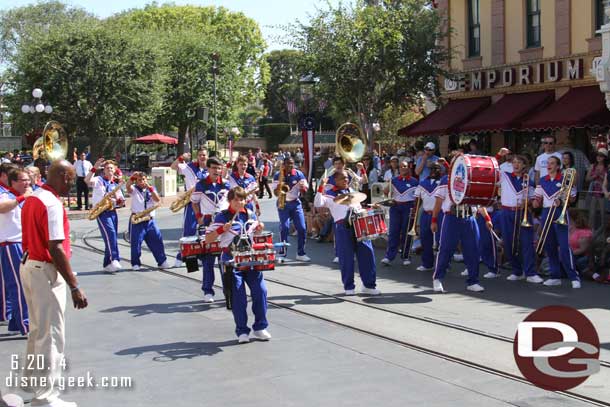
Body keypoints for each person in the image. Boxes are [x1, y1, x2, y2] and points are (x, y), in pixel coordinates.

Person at [21, 160, 87, 407]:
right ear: (62, 176)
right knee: (51, 335)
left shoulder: (34, 197)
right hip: (45, 271)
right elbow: (56, 247)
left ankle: (32, 385)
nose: (71, 183)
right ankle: (46, 398)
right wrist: (74, 285)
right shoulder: (51, 203)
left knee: (38, 330)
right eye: (70, 178)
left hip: (29, 265)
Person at [205, 186, 271, 343]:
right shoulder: (222, 217)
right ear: (230, 201)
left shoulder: (249, 214)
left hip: (250, 259)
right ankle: (242, 331)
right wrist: (222, 229)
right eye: (236, 199)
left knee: (260, 291)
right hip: (230, 260)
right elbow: (208, 239)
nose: (239, 202)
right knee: (238, 295)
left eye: (241, 199)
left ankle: (260, 327)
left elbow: (256, 234)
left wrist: (259, 229)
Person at [315, 170, 380, 295]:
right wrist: (320, 187)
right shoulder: (330, 194)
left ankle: (369, 285)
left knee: (367, 254)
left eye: (347, 178)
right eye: (342, 178)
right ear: (336, 180)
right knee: (346, 258)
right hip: (343, 227)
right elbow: (318, 203)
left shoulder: (352, 191)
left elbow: (358, 208)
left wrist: (370, 207)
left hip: (359, 225)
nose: (346, 180)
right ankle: (349, 287)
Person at [430, 171, 489, 293]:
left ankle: (473, 281)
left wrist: (487, 218)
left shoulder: (472, 179)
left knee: (473, 250)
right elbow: (439, 201)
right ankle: (437, 278)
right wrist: (434, 220)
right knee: (446, 248)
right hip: (451, 217)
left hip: (469, 217)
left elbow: (479, 202)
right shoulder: (446, 179)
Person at [532, 156, 580, 288]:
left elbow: (572, 199)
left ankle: (573, 276)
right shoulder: (542, 180)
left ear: (558, 166)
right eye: (548, 163)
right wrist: (534, 202)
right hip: (546, 213)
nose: (549, 165)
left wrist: (564, 200)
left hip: (560, 212)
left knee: (564, 247)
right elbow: (537, 200)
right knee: (550, 246)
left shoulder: (565, 179)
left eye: (552, 163)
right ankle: (555, 276)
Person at [496, 149, 543, 283]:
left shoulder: (529, 180)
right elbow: (490, 170)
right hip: (506, 212)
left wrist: (528, 203)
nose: (515, 165)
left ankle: (530, 273)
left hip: (523, 213)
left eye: (519, 162)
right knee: (509, 243)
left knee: (527, 243)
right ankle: (517, 271)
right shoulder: (504, 176)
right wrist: (499, 155)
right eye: (513, 162)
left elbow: (535, 201)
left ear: (524, 165)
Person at [191, 157, 230, 302]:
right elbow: (194, 202)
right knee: (208, 259)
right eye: (214, 168)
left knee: (225, 258)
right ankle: (208, 291)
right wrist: (199, 217)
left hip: (222, 222)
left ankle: (228, 290)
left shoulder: (226, 185)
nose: (217, 171)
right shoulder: (201, 185)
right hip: (207, 222)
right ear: (208, 169)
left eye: (219, 168)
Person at [0, 168, 32, 336]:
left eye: (28, 180)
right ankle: (25, 325)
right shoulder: (6, 195)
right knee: (19, 286)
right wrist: (22, 197)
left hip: (24, 244)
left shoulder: (25, 196)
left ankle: (15, 322)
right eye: (23, 180)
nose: (27, 183)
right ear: (13, 182)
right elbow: (2, 207)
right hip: (11, 244)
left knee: (24, 284)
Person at [85, 159, 125, 273]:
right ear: (104, 170)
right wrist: (95, 167)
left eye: (111, 168)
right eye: (107, 168)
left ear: (115, 170)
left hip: (112, 211)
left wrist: (119, 201)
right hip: (102, 211)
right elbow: (87, 180)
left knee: (111, 236)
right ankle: (115, 259)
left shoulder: (115, 184)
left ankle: (107, 263)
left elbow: (121, 201)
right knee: (110, 234)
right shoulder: (99, 180)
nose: (110, 170)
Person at [170, 149, 208, 267]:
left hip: (205, 204)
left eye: (204, 155)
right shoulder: (189, 167)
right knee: (189, 231)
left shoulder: (210, 169)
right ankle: (182, 258)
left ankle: (200, 258)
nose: (202, 157)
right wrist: (182, 157)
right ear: (197, 156)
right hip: (191, 203)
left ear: (207, 156)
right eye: (200, 155)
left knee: (203, 232)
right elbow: (173, 167)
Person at [126, 172, 170, 270]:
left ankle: (162, 261)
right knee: (136, 243)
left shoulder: (151, 189)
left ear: (147, 180)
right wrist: (133, 177)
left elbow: (157, 199)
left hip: (149, 220)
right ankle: (135, 263)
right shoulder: (134, 189)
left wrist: (150, 189)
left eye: (144, 179)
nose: (142, 182)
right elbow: (128, 186)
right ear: (136, 182)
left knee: (157, 240)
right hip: (137, 219)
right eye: (139, 180)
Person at [271, 158, 310, 262]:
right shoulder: (278, 175)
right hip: (282, 203)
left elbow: (305, 190)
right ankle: (282, 253)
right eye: (288, 164)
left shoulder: (299, 174)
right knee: (284, 227)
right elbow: (275, 194)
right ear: (283, 165)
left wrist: (303, 188)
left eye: (292, 164)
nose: (290, 166)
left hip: (295, 203)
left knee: (302, 228)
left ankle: (301, 253)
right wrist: (279, 187)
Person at [381, 159, 418, 266]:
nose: (403, 168)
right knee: (393, 232)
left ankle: (406, 256)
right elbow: (385, 191)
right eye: (401, 166)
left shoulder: (414, 181)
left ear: (409, 168)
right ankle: (389, 256)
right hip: (396, 207)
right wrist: (389, 186)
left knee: (406, 232)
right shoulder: (394, 179)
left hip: (408, 207)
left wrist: (415, 208)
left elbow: (418, 198)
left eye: (405, 166)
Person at [414, 162, 444, 271]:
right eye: (431, 169)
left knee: (441, 240)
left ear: (440, 171)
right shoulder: (422, 183)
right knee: (425, 240)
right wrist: (415, 216)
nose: (433, 171)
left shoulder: (443, 182)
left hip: (440, 214)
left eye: (436, 169)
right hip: (426, 214)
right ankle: (427, 264)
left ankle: (444, 264)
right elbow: (417, 201)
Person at [589, 149, 608, 241]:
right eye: (597, 155)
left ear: (604, 158)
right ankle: (591, 234)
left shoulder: (607, 168)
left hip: (603, 192)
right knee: (591, 214)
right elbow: (587, 178)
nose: (598, 157)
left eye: (601, 155)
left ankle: (603, 235)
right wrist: (594, 175)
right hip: (593, 191)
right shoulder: (593, 166)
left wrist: (601, 177)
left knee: (603, 214)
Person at [568, 209, 593, 273]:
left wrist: (566, 254)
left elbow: (583, 249)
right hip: (568, 255)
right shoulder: (567, 228)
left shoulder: (584, 232)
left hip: (579, 257)